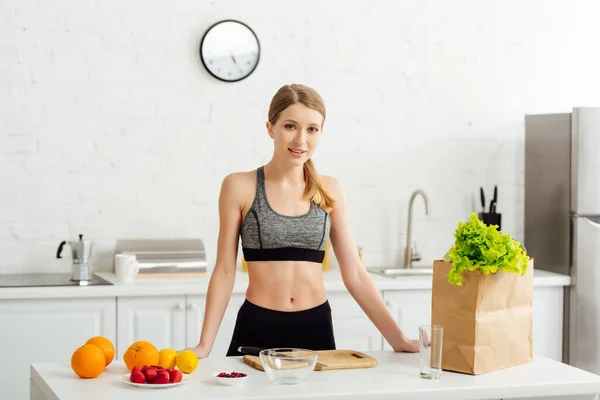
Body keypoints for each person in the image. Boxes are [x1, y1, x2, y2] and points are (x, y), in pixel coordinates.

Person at [188, 84, 419, 359]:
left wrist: (399, 340)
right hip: (257, 327)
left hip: (316, 328)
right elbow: (225, 271)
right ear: (270, 128)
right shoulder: (240, 186)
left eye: (312, 129)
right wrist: (204, 346)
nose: (301, 140)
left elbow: (355, 274)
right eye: (290, 126)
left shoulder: (330, 190)